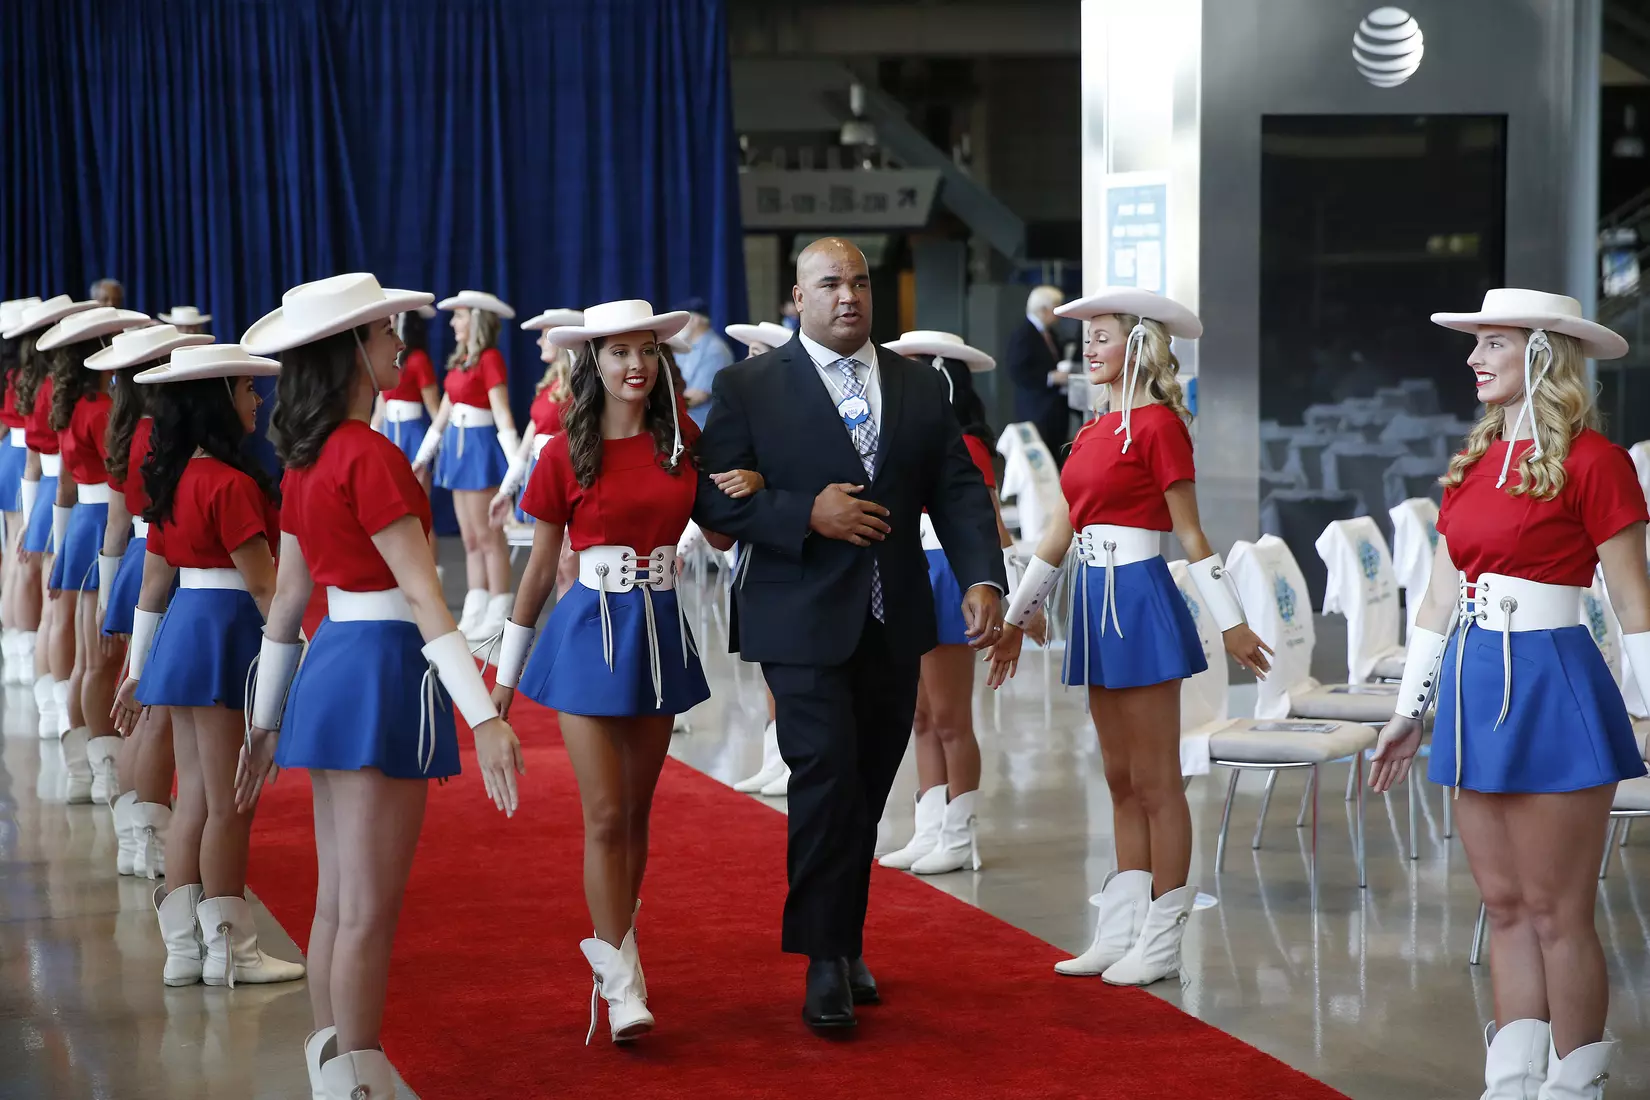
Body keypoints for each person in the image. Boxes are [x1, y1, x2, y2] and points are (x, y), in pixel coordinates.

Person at [692, 237, 1006, 1032]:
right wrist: (805, 512)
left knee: (866, 787)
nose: (848, 295)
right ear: (797, 298)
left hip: (895, 617)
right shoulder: (749, 386)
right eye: (829, 283)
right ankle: (823, 960)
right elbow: (713, 501)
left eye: (859, 282)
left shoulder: (918, 386)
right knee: (825, 778)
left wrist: (981, 576)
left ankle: (846, 934)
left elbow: (958, 491)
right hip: (796, 618)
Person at [237, 273, 523, 1100]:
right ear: (352, 350)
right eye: (387, 331)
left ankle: (337, 1067)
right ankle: (357, 1083)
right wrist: (485, 715)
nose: (400, 341)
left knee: (338, 902)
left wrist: (264, 721)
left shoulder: (305, 459)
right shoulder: (370, 454)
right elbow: (427, 596)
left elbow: (289, 607)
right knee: (366, 908)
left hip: (333, 668)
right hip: (380, 672)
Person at [1369, 289, 1650, 1099]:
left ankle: (1574, 1082)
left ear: (1538, 354)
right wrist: (1406, 713)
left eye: (1492, 344)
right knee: (1502, 903)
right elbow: (1435, 599)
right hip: (1471, 681)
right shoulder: (1474, 464)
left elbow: (1633, 599)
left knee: (1559, 910)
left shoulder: (1596, 463)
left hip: (1556, 684)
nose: (1473, 359)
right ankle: (1513, 1079)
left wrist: (1649, 706)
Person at [987, 288, 1272, 986]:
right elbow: (1059, 533)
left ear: (1140, 344)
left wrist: (1233, 622)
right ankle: (1119, 928)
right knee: (1117, 778)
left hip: (1141, 603)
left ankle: (1164, 937)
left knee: (1156, 780)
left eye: (1103, 335)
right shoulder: (1088, 432)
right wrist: (1016, 620)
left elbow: (1192, 533)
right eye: (1086, 337)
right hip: (1092, 601)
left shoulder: (1160, 427)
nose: (1089, 347)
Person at [489, 299, 725, 1044]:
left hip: (659, 630)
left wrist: (741, 485)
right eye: (620, 352)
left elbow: (720, 528)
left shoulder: (682, 440)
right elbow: (534, 573)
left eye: (647, 352)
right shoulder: (562, 449)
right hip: (589, 632)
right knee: (604, 814)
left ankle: (618, 947)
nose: (636, 365)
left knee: (638, 813)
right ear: (593, 362)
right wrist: (501, 677)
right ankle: (621, 979)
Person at [110, 340, 304, 994]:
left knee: (193, 796)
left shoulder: (173, 478)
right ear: (220, 402)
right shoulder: (232, 483)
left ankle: (184, 949)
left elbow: (153, 587)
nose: (257, 400)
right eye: (247, 391)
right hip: (227, 637)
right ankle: (232, 950)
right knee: (230, 803)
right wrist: (294, 659)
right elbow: (264, 588)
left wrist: (139, 666)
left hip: (184, 637)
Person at [877, 330, 1018, 875]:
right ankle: (929, 825)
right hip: (916, 572)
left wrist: (1013, 610)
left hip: (952, 579)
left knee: (951, 717)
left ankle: (960, 835)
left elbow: (992, 530)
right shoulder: (918, 436)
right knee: (919, 715)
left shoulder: (969, 445)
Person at [87, 323, 215, 878]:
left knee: (147, 710)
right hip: (169, 565)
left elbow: (117, 528)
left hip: (139, 561)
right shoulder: (167, 436)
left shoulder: (127, 431)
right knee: (158, 715)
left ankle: (136, 835)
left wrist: (107, 590)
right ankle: (150, 837)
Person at [36, 304, 150, 804]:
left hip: (84, 526)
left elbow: (63, 485)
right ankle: (101, 768)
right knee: (101, 661)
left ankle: (84, 767)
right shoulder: (103, 412)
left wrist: (60, 550)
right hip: (106, 528)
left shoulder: (76, 410)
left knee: (89, 660)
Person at [5, 295, 97, 739]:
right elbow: (57, 470)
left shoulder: (47, 387)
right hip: (70, 500)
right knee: (64, 612)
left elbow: (35, 463)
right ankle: (59, 708)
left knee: (53, 609)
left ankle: (50, 705)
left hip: (49, 495)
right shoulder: (70, 396)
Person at [413, 290, 518, 642]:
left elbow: (501, 413)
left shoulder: (490, 359)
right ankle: (476, 608)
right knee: (470, 539)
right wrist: (422, 458)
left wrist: (516, 463)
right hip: (456, 455)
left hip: (479, 451)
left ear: (476, 319)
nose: (454, 322)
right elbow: (441, 417)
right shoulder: (460, 362)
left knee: (489, 537)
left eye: (460, 316)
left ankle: (500, 609)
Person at [720, 320, 797, 798]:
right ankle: (775, 754)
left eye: (756, 352)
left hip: (786, 549)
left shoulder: (790, 413)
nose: (747, 360)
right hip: (751, 552)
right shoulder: (747, 411)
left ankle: (790, 755)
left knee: (786, 663)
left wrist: (761, 483)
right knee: (767, 664)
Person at [489, 307, 581, 528]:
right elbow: (526, 446)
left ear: (561, 340)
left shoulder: (580, 389)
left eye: (544, 336)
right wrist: (505, 491)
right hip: (542, 473)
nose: (539, 342)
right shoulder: (548, 386)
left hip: (567, 478)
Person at [0, 297, 42, 686]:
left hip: (8, 455)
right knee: (22, 556)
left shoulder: (9, 374)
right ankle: (22, 647)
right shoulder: (29, 375)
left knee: (13, 550)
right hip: (25, 457)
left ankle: (15, 645)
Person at [371, 306, 440, 495]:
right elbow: (379, 411)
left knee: (417, 501)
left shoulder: (419, 360)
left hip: (414, 437)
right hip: (389, 434)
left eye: (393, 317)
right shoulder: (388, 362)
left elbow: (435, 409)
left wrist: (433, 448)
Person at [1004, 285, 1070, 460]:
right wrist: (1050, 378)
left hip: (1055, 410)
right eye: (1056, 307)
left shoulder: (1051, 334)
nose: (1059, 314)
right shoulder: (1023, 334)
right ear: (1043, 309)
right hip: (1036, 410)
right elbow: (1017, 371)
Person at [672, 295, 734, 429]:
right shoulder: (686, 347)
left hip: (702, 431)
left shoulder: (714, 350)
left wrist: (661, 408)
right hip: (683, 426)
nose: (676, 327)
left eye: (680, 321)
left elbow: (698, 395)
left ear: (694, 320)